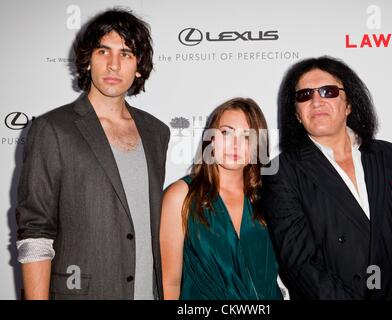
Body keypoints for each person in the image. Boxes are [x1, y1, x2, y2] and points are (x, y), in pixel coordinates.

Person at [15, 8, 170, 300]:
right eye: (103, 51)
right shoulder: (53, 129)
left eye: (126, 53)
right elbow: (35, 230)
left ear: (139, 66)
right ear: (88, 60)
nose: (113, 65)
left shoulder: (157, 132)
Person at [262, 56, 392, 300]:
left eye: (329, 91)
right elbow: (299, 264)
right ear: (296, 114)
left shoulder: (391, 157)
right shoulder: (282, 172)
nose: (316, 101)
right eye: (304, 95)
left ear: (349, 105)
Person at [160, 98, 282, 299]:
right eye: (226, 132)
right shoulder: (181, 195)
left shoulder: (269, 196)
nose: (235, 145)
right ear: (211, 139)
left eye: (247, 137)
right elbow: (170, 282)